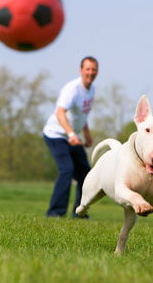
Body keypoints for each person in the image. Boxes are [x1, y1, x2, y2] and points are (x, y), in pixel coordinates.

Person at [43, 56, 99, 218]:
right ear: (81, 70)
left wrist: (86, 133)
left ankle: (79, 212)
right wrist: (71, 134)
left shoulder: (92, 89)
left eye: (94, 69)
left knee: (85, 174)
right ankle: (55, 213)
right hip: (56, 135)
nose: (91, 72)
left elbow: (82, 114)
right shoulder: (72, 89)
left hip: (73, 136)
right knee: (66, 170)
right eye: (87, 69)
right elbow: (60, 112)